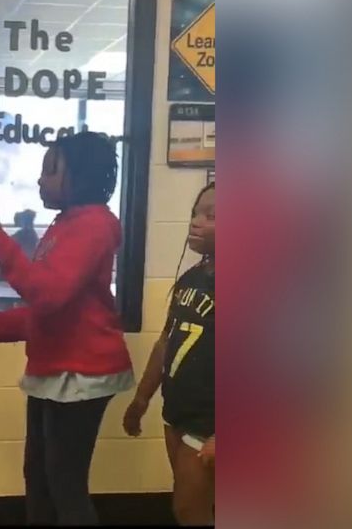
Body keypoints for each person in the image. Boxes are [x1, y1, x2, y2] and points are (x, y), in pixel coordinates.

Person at [0, 132, 133, 525]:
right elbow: (50, 313)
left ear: (80, 177)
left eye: (51, 170)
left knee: (64, 485)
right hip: (58, 371)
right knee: (41, 477)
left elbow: (45, 294)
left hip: (81, 374)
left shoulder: (93, 224)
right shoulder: (66, 224)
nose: (41, 180)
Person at [123, 182, 215, 526]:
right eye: (195, 213)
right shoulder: (191, 279)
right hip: (177, 414)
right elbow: (166, 341)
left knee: (189, 512)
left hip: (209, 423)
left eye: (212, 216)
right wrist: (142, 398)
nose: (196, 222)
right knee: (192, 503)